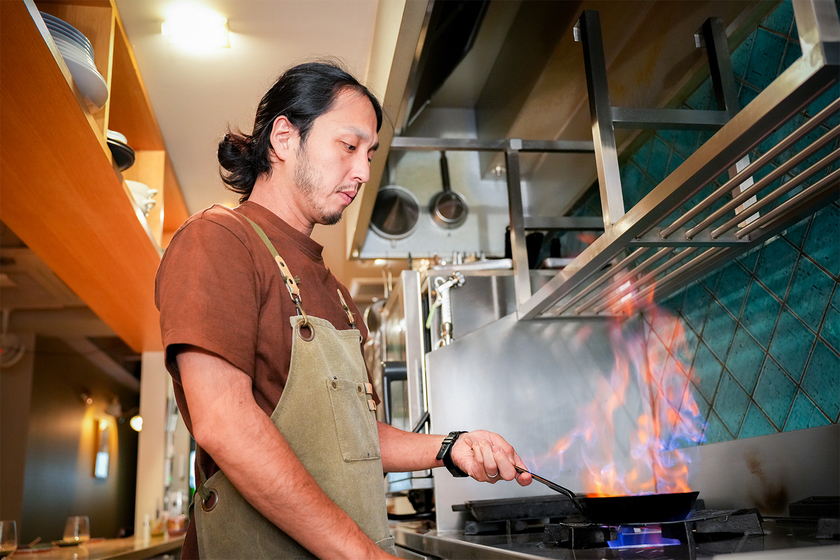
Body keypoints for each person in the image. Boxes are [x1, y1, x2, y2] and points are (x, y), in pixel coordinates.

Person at [155, 60, 532, 560]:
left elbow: (355, 437)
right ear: (284, 138)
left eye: (370, 154)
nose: (363, 172)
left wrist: (450, 447)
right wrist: (363, 554)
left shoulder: (335, 292)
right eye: (349, 146)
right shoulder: (219, 240)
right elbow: (225, 423)